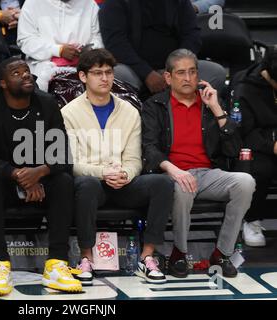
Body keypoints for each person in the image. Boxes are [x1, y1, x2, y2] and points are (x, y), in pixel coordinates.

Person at [0, 57, 82, 296]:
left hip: (41, 178)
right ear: (2, 83)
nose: (25, 76)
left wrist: (40, 172)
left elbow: (63, 155)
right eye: (16, 73)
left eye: (27, 71)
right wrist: (17, 174)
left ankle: (56, 264)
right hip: (5, 181)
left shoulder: (47, 104)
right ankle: (0, 265)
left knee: (63, 181)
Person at [61, 48, 174, 284]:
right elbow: (71, 164)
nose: (104, 78)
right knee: (86, 184)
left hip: (123, 185)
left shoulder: (129, 111)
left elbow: (134, 159)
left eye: (109, 72)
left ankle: (147, 257)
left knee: (162, 182)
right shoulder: (68, 113)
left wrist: (125, 173)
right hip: (93, 185)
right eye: (97, 73)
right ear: (83, 77)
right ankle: (86, 259)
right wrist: (103, 172)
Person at [142, 49, 255, 278]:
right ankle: (179, 254)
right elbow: (149, 148)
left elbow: (233, 149)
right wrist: (174, 170)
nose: (187, 78)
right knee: (184, 186)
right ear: (168, 77)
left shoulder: (210, 104)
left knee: (245, 182)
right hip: (171, 173)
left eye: (192, 72)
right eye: (181, 72)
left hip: (208, 173)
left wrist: (216, 108)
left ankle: (222, 253)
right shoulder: (155, 106)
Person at [99, 0, 226, 100]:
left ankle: (193, 120)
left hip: (175, 68)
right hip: (134, 69)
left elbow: (192, 34)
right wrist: (147, 74)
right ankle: (133, 123)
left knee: (216, 72)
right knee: (116, 74)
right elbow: (116, 44)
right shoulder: (115, 2)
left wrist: (176, 70)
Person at [17, 0, 103, 92]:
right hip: (43, 67)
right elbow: (25, 40)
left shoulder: (89, 3)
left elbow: (98, 37)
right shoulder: (33, 3)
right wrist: (58, 50)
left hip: (84, 65)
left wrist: (88, 51)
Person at [238, 45, 277, 247]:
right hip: (258, 145)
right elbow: (245, 132)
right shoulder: (246, 88)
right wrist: (272, 147)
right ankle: (251, 220)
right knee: (261, 168)